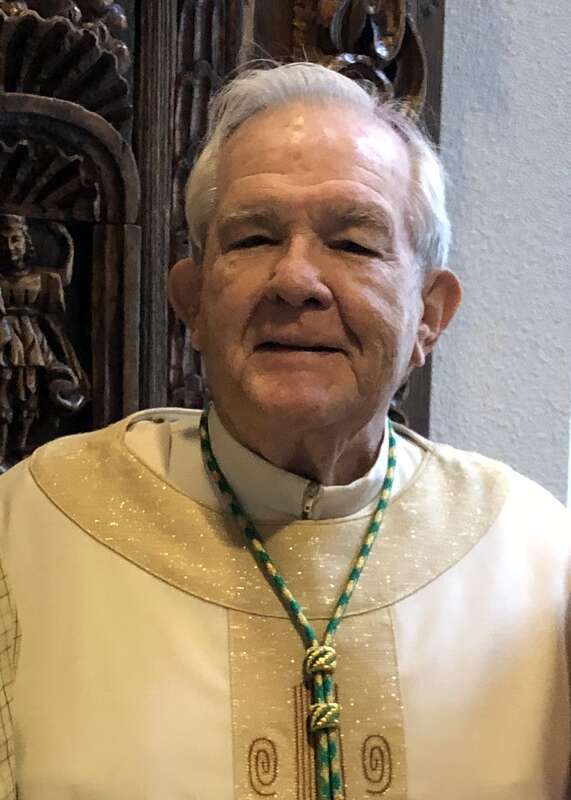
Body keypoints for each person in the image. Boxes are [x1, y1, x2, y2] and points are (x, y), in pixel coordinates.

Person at [0, 63, 568, 800]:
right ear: (191, 301)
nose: (296, 279)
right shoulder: (31, 530)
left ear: (429, 313)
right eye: (253, 237)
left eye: (354, 243)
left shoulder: (536, 561)